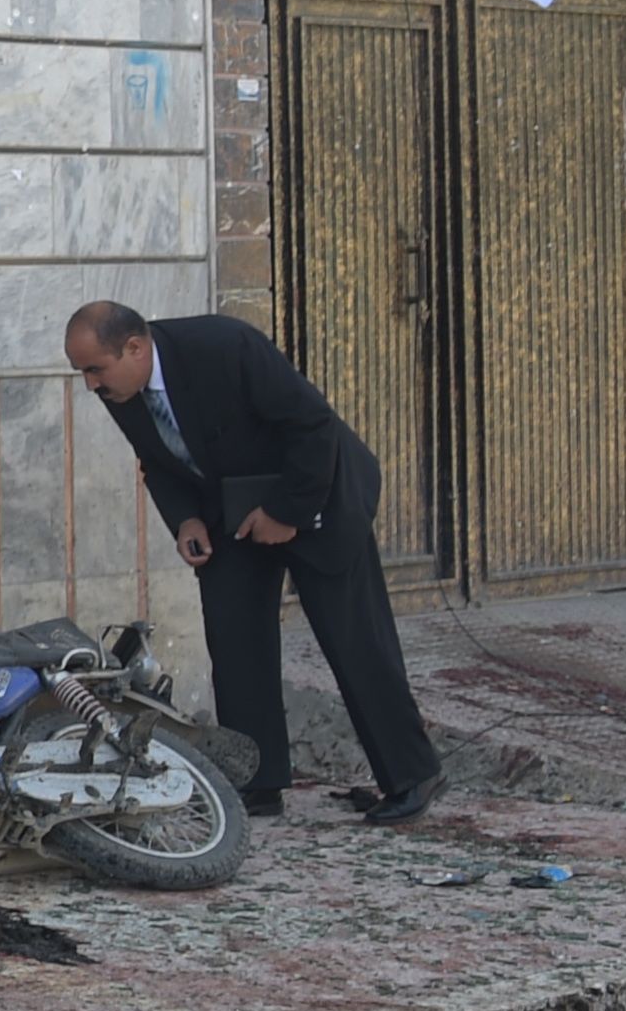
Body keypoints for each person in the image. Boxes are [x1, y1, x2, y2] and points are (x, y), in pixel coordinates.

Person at [62, 299, 443, 826]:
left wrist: (286, 513)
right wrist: (187, 521)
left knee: (354, 637)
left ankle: (412, 775)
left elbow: (314, 426)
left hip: (317, 492)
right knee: (234, 638)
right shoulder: (119, 385)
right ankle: (256, 780)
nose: (89, 385)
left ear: (134, 348)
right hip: (231, 510)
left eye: (94, 370)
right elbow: (157, 458)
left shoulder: (226, 347)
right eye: (82, 372)